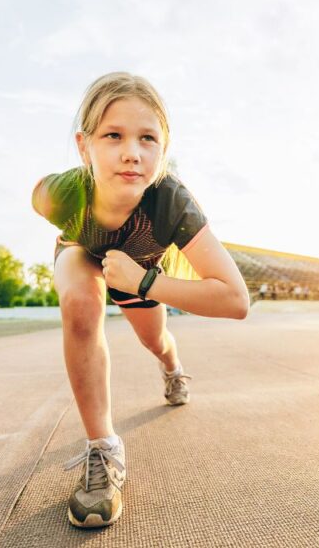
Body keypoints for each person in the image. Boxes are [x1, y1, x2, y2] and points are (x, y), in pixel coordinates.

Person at [31, 72, 249, 528]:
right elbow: (43, 203)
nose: (132, 151)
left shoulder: (171, 202)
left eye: (147, 138)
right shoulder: (61, 193)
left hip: (140, 273)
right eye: (113, 135)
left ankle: (171, 368)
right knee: (80, 305)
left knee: (156, 340)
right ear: (83, 146)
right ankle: (103, 450)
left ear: (163, 151)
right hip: (83, 254)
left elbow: (235, 300)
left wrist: (143, 283)